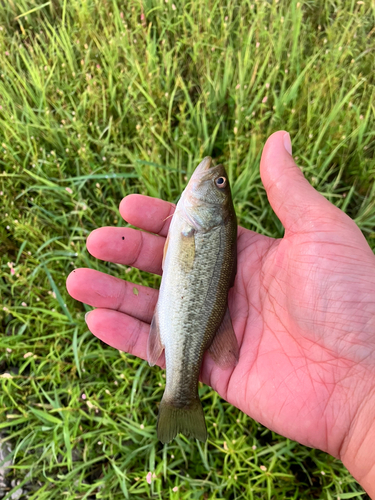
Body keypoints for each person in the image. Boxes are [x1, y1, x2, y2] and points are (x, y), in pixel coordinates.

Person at [66, 131, 375, 497]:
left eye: (219, 182)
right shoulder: (198, 224)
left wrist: (362, 402)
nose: (214, 174)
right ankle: (179, 397)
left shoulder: (197, 225)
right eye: (220, 181)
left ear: (217, 208)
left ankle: (179, 397)